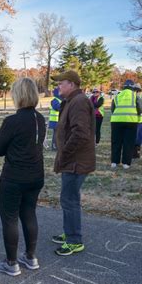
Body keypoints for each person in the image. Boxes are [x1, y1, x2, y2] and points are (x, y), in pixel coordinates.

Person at [0, 78, 46, 277]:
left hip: (14, 177)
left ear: (18, 95)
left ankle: (11, 262)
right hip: (35, 176)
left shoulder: (12, 121)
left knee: (10, 219)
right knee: (29, 214)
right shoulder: (40, 119)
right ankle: (31, 257)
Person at [50, 70, 95, 256]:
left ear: (72, 84)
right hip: (72, 160)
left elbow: (80, 134)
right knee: (69, 198)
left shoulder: (79, 102)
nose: (58, 86)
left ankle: (74, 240)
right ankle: (69, 232)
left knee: (69, 200)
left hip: (75, 161)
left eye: (61, 83)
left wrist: (65, 154)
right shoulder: (71, 101)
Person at [110, 80, 142, 169]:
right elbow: (140, 109)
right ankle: (126, 163)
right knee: (128, 142)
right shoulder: (135, 96)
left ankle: (114, 162)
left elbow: (112, 109)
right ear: (133, 87)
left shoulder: (117, 96)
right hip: (131, 121)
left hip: (116, 121)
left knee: (116, 142)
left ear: (124, 87)